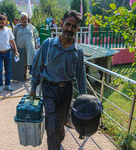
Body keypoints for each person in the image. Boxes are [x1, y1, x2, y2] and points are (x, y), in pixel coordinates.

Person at [29, 10, 86, 150]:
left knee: (61, 122)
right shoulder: (48, 45)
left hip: (67, 90)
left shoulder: (78, 51)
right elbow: (37, 67)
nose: (70, 29)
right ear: (62, 24)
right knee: (52, 124)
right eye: (67, 24)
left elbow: (80, 76)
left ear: (77, 29)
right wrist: (33, 87)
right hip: (49, 89)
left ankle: (57, 143)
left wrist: (83, 97)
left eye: (74, 26)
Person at [0, 15, 19, 93]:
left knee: (8, 70)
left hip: (7, 52)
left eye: (2, 22)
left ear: (5, 22)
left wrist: (16, 51)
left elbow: (12, 41)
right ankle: (0, 85)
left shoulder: (8, 30)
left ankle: (8, 85)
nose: (1, 24)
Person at [13, 12, 37, 80]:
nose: (24, 20)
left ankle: (33, 76)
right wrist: (14, 48)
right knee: (22, 62)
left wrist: (35, 45)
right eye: (23, 19)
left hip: (30, 48)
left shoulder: (31, 27)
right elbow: (13, 37)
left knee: (31, 61)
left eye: (25, 19)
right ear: (20, 19)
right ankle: (23, 75)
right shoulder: (17, 27)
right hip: (20, 48)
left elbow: (34, 37)